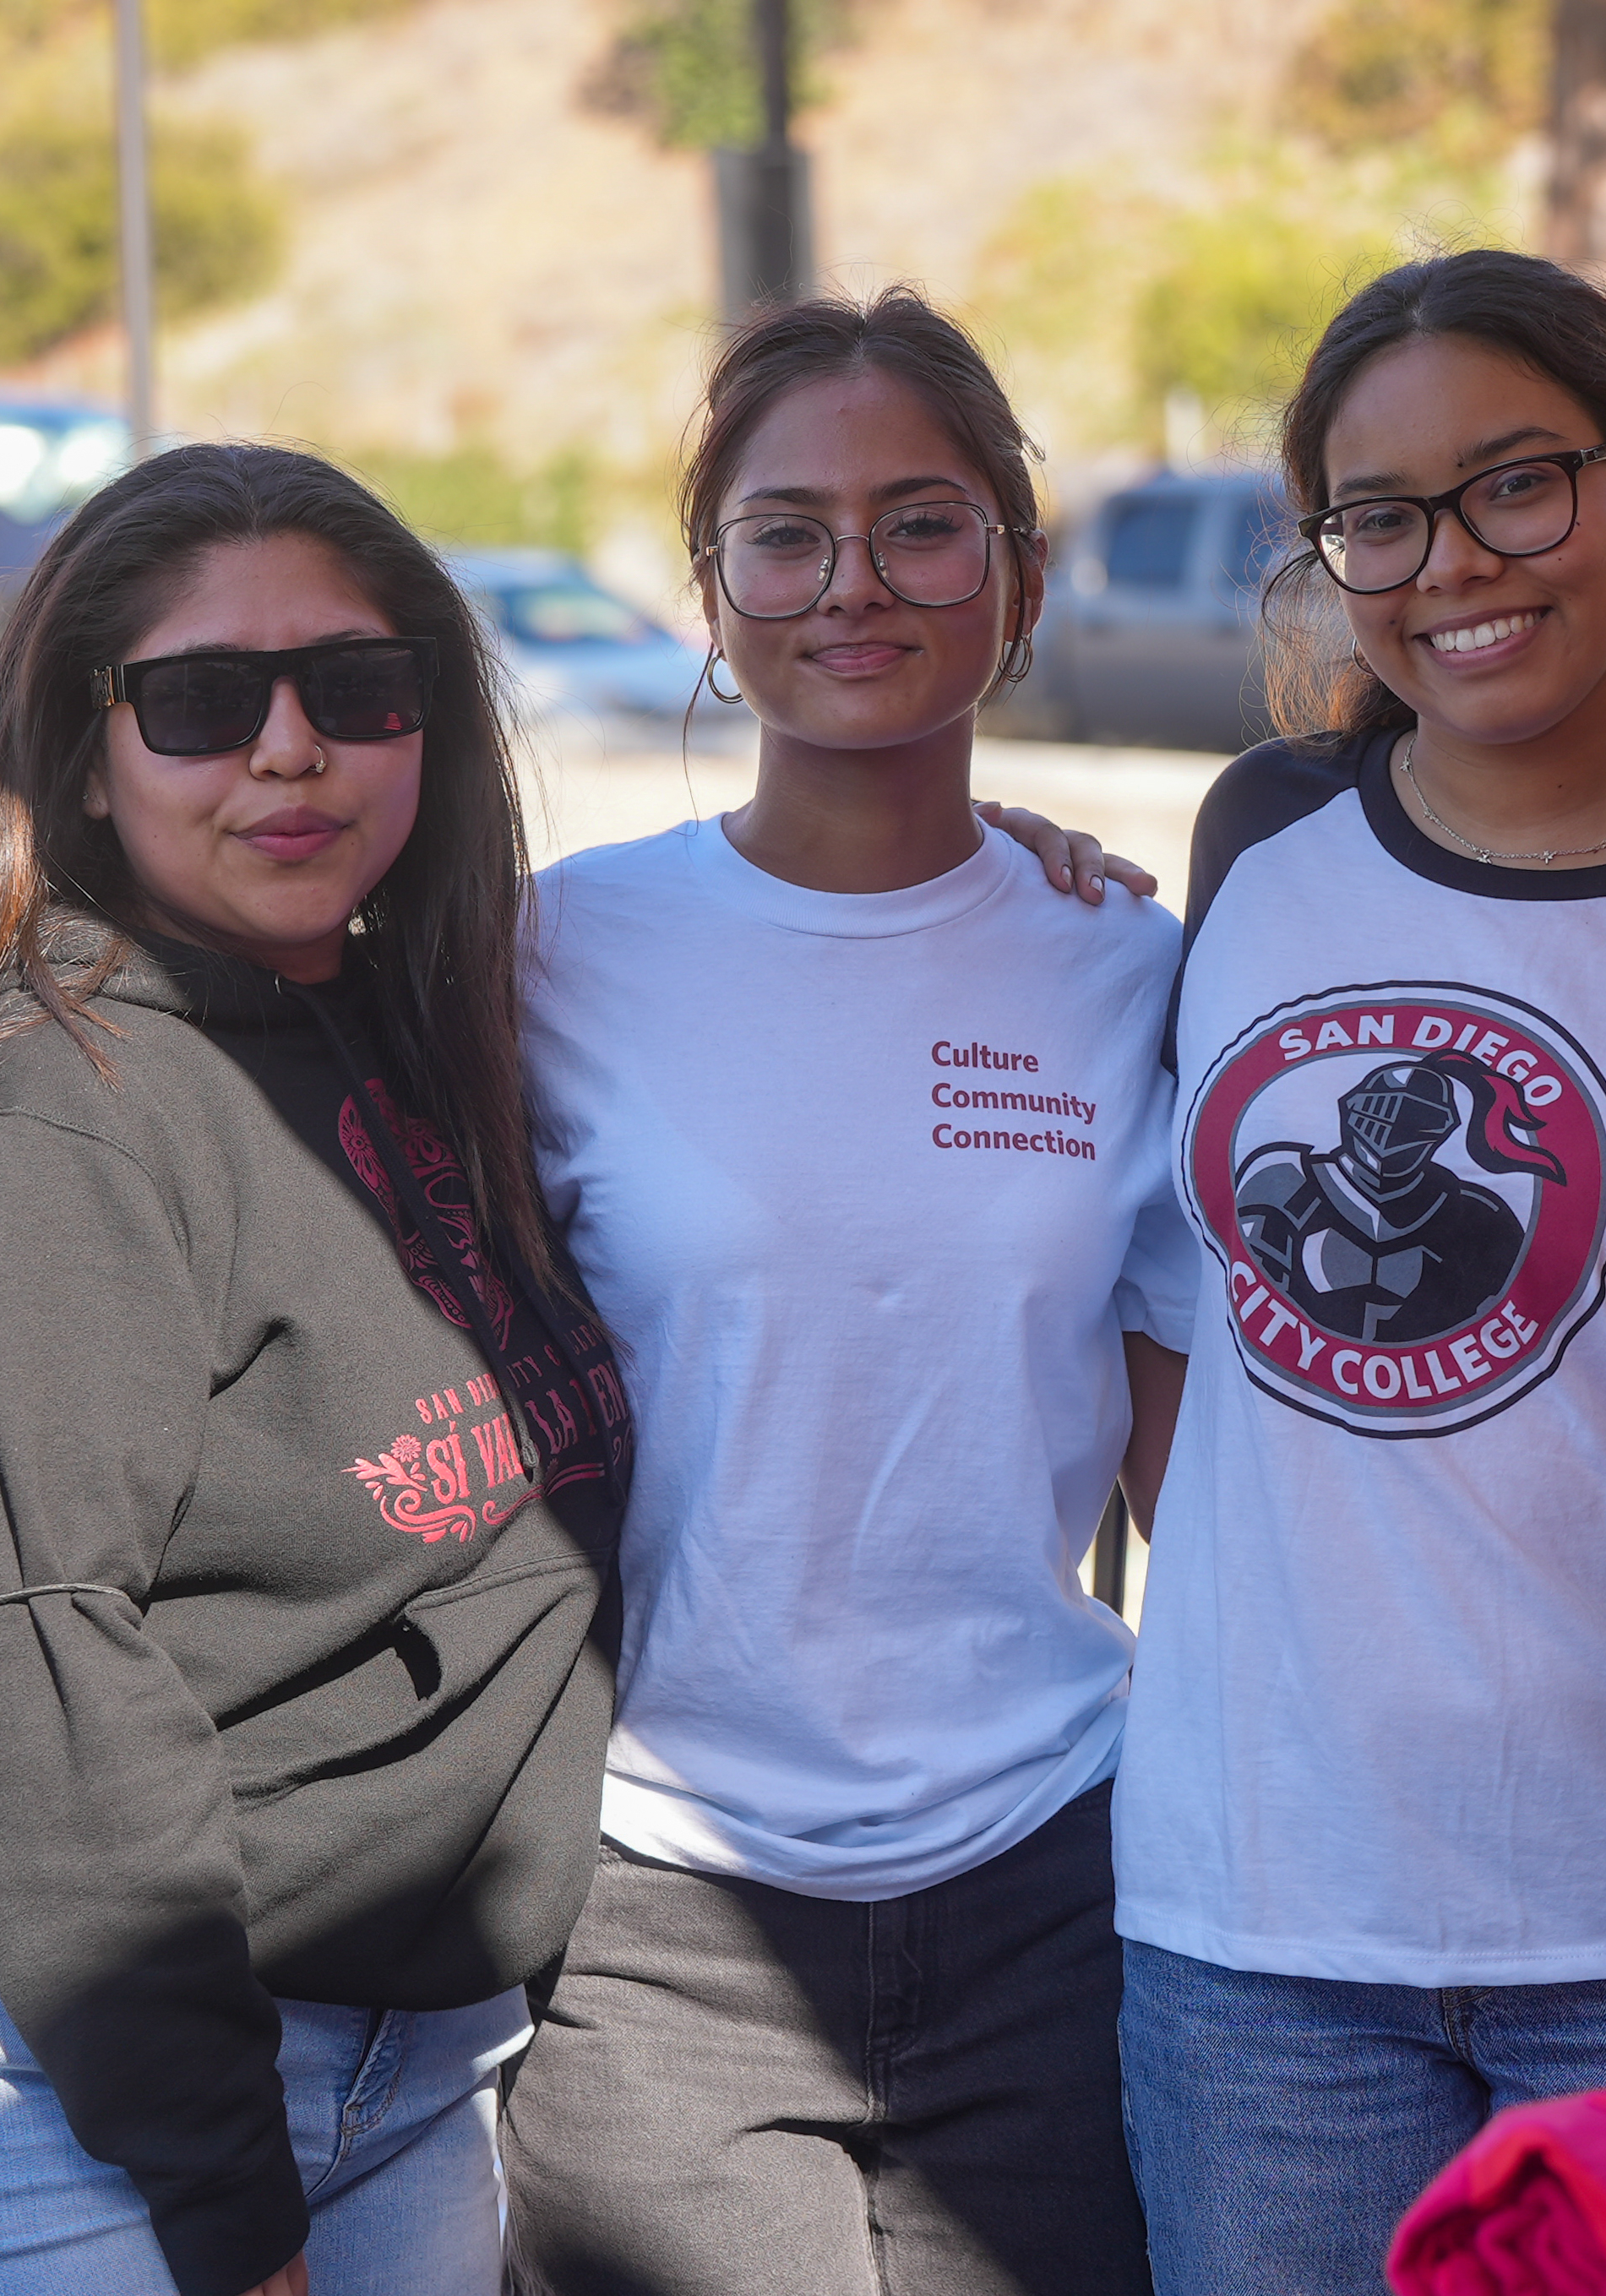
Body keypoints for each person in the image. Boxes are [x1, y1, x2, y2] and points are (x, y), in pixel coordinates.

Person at [1110, 247, 1606, 2293]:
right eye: (1380, 513)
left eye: (1517, 484)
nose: (1451, 559)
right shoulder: (1260, 836)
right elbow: (1184, 1320)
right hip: (1252, 1930)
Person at [0, 443, 635, 2296]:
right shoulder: (38, 1124)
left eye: (360, 688)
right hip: (44, 2081)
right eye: (203, 701)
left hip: (398, 2070)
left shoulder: (412, 1028)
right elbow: (40, 1669)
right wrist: (229, 2211)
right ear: (84, 748)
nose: (291, 750)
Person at [499, 287, 1189, 2296]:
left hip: (1059, 1876)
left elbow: (1200, 1462)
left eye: (923, 523)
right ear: (710, 598)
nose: (852, 583)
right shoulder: (554, 955)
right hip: (655, 1908)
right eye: (783, 534)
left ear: (1017, 576)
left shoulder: (1136, 970)